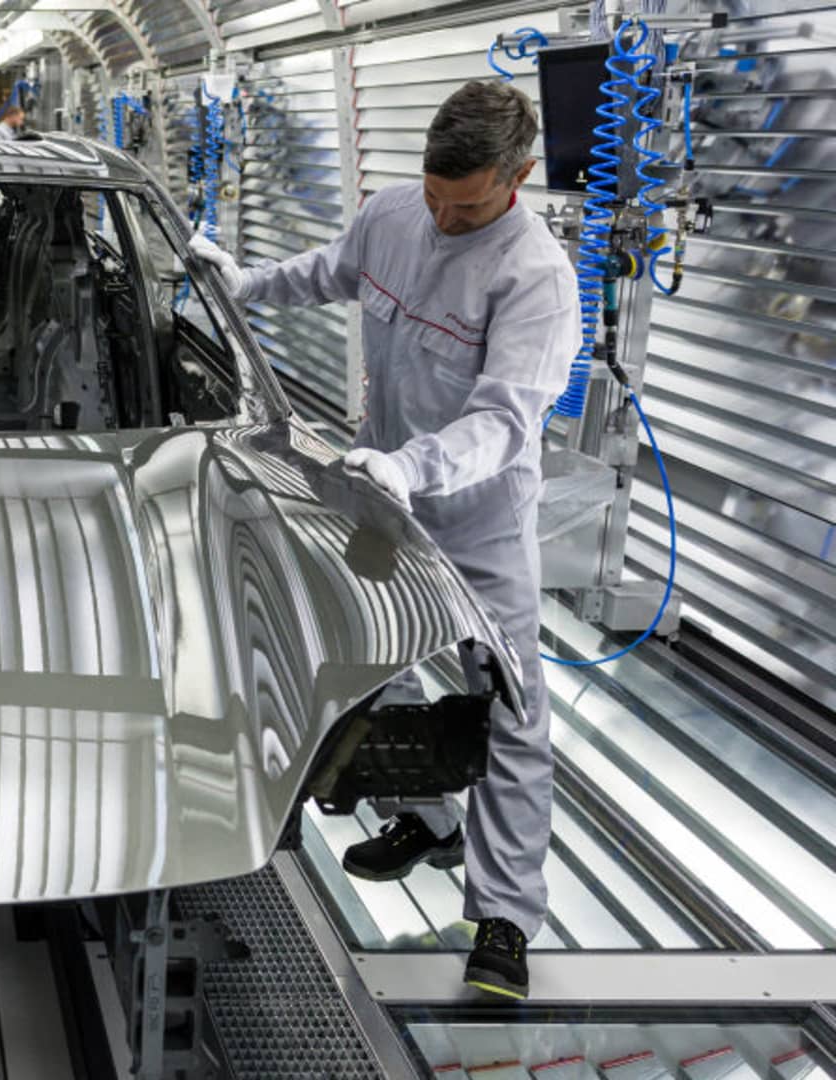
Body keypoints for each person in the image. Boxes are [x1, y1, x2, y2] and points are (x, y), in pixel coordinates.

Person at [187, 80, 576, 1000]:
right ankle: (423, 816)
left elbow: (506, 423)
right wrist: (241, 286)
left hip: (476, 516)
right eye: (436, 195)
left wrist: (416, 468)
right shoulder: (396, 211)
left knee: (510, 708)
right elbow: (328, 271)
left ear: (518, 177)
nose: (445, 217)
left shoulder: (537, 276)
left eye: (467, 203)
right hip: (380, 498)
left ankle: (507, 919)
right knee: (380, 660)